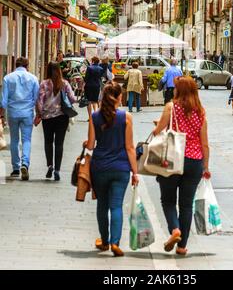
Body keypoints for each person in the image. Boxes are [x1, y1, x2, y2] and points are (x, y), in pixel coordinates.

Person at [152, 77, 210, 256]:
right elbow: (205, 143)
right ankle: (182, 246)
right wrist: (206, 167)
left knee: (168, 200)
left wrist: (158, 125)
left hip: (172, 158)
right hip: (194, 161)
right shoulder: (201, 112)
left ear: (179, 90)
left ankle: (175, 229)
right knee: (186, 205)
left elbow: (158, 131)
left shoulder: (171, 107)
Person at [85, 82, 139, 257]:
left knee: (102, 205)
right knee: (116, 206)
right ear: (119, 97)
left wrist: (86, 143)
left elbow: (91, 145)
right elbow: (130, 147)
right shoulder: (126, 117)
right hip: (121, 167)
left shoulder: (94, 116)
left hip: (99, 166)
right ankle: (115, 243)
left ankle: (105, 240)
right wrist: (135, 172)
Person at [0, 57, 39, 180]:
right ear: (27, 66)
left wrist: (1, 115)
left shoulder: (8, 78)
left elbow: (3, 101)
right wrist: (38, 114)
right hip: (27, 113)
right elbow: (37, 98)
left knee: (14, 140)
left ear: (15, 65)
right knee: (26, 140)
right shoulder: (33, 78)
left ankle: (16, 168)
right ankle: (25, 164)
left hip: (13, 113)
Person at [36, 62, 76, 181]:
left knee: (48, 142)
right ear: (59, 70)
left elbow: (39, 101)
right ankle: (57, 170)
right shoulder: (65, 83)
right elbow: (73, 99)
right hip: (62, 117)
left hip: (47, 118)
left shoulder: (44, 83)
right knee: (59, 144)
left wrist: (39, 114)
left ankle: (50, 166)